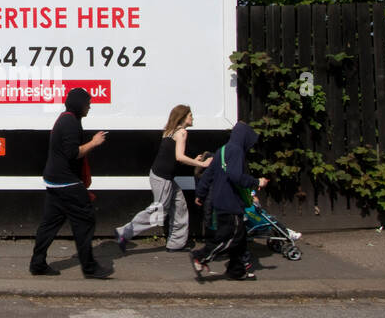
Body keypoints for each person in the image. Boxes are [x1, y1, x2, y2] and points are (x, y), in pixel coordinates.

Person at [29, 87, 113, 279]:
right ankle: (90, 268)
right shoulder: (70, 123)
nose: (90, 107)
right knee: (85, 222)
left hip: (54, 181)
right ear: (79, 105)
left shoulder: (66, 118)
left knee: (49, 224)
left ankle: (37, 263)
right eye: (88, 103)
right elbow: (72, 153)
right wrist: (94, 142)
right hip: (67, 183)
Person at [114, 105, 211, 253]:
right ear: (183, 116)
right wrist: (201, 163)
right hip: (163, 178)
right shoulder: (182, 132)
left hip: (163, 176)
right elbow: (179, 157)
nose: (193, 118)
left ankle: (176, 244)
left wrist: (193, 159)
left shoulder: (170, 131)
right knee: (158, 212)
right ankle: (125, 232)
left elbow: (172, 155)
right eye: (190, 115)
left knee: (180, 207)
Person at [192, 121, 269, 281]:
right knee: (230, 237)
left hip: (220, 201)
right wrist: (256, 181)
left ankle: (236, 271)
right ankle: (201, 256)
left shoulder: (222, 150)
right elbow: (236, 176)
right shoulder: (236, 151)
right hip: (231, 202)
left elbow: (208, 175)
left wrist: (200, 193)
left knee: (239, 239)